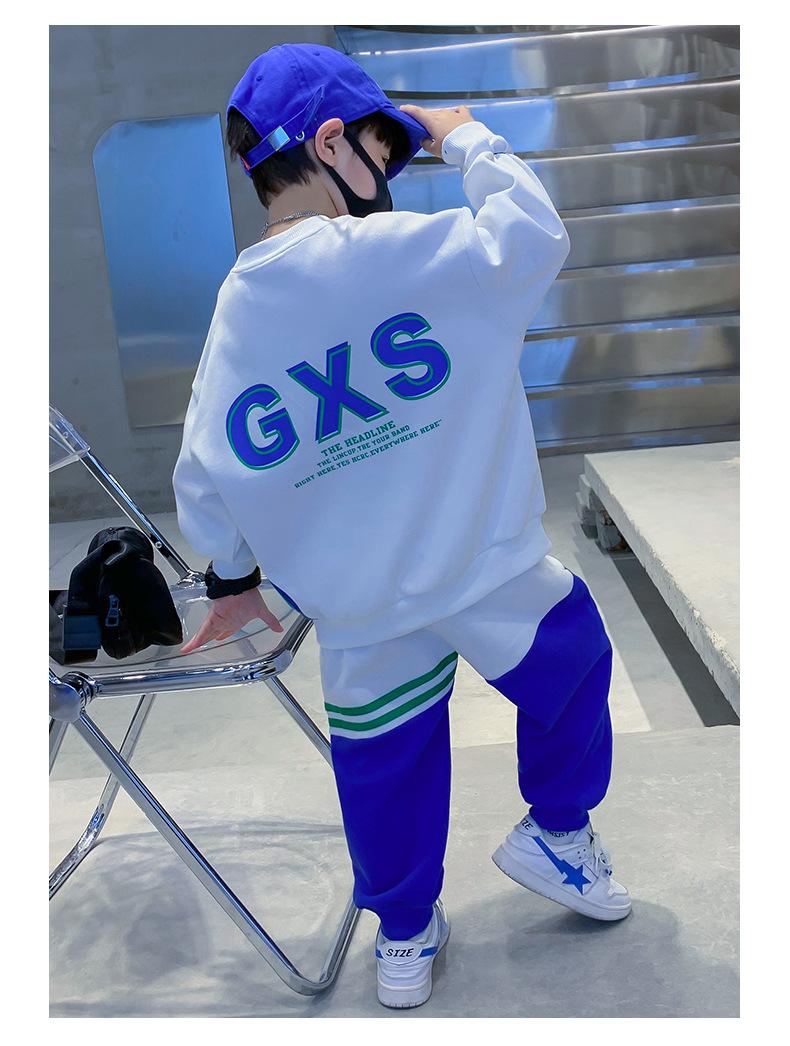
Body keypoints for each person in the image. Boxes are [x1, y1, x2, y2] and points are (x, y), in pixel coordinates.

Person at [173, 42, 631, 1010]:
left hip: (361, 606)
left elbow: (205, 472)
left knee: (383, 765)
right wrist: (467, 141)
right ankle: (556, 835)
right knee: (576, 660)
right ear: (329, 142)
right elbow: (531, 234)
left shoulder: (237, 310)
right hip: (484, 562)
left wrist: (232, 576)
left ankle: (405, 940)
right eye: (382, 150)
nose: (387, 174)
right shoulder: (406, 252)